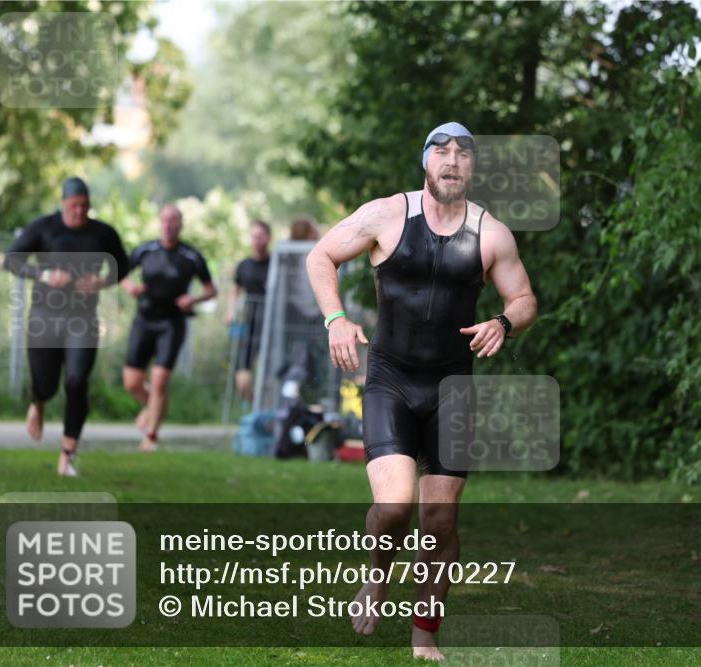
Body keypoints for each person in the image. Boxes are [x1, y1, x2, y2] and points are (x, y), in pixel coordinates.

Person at [306, 122, 537, 660]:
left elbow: (524, 297)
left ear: (472, 168)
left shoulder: (492, 233)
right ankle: (378, 574)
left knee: (440, 520)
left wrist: (503, 322)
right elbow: (320, 257)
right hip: (390, 379)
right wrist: (336, 319)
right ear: (426, 162)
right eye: (441, 150)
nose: (452, 160)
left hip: (453, 389)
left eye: (463, 153)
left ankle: (424, 631)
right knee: (393, 509)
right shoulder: (387, 214)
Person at [3, 177, 130, 476]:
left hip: (83, 319)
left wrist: (103, 281)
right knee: (45, 383)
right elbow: (11, 260)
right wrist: (45, 275)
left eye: (85, 206)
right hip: (45, 315)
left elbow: (123, 265)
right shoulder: (45, 227)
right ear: (64, 204)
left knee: (76, 380)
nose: (80, 211)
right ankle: (38, 402)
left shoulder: (103, 233)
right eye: (74, 206)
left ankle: (67, 455)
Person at [121, 205, 216, 452]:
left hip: (172, 323)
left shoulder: (191, 256)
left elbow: (211, 290)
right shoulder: (146, 249)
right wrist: (129, 286)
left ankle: (151, 436)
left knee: (160, 382)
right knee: (132, 382)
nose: (168, 225)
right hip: (144, 318)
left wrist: (192, 299)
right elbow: (120, 272)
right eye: (164, 220)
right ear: (159, 223)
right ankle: (153, 407)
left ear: (181, 224)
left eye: (173, 221)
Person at [224, 220, 272, 402]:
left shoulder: (277, 263)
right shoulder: (243, 265)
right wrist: (230, 311)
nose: (257, 240)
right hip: (250, 325)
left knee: (269, 375)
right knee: (242, 379)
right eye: (254, 237)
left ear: (268, 237)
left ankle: (268, 411)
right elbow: (235, 291)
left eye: (260, 236)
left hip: (271, 326)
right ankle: (256, 407)